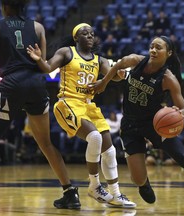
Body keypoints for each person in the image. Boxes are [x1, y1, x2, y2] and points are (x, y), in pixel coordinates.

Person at [90, 35, 184, 216]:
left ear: (168, 53)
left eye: (158, 48)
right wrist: (104, 82)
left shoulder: (168, 78)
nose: (153, 50)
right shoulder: (135, 61)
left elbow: (183, 108)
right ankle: (144, 184)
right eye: (152, 46)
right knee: (137, 178)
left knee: (182, 157)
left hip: (155, 124)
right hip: (130, 124)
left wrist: (178, 113)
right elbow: (118, 65)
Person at [0, 0, 80, 213]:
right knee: (45, 143)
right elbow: (42, 62)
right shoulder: (38, 27)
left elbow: (0, 66)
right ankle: (70, 192)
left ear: (4, 7)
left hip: (12, 82)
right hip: (37, 84)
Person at [27, 23, 136, 208]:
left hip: (88, 106)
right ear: (76, 37)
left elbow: (114, 76)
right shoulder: (66, 52)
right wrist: (39, 59)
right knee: (94, 137)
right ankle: (94, 186)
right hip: (68, 103)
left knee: (109, 149)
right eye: (85, 34)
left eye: (92, 34)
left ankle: (116, 194)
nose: (90, 36)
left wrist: (121, 73)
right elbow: (47, 67)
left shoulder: (99, 60)